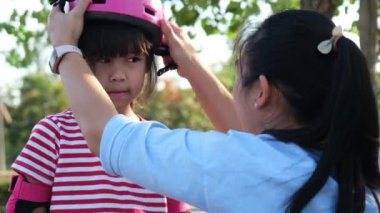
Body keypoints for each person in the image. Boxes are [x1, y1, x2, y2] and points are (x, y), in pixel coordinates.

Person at [48, 0, 380, 211]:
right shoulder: (362, 169)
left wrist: (64, 47)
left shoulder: (248, 169)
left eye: (238, 78)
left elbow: (107, 134)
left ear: (260, 92)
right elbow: (247, 140)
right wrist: (189, 64)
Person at [5, 0, 238, 211]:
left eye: (133, 59)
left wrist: (190, 62)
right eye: (103, 59)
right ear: (80, 59)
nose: (118, 75)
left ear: (149, 64)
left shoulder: (158, 145)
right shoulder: (52, 134)